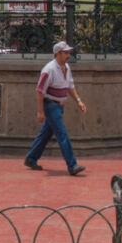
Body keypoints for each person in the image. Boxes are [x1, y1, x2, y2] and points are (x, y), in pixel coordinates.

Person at [24, 41, 87, 176]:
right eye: (65, 53)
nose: (68, 55)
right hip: (51, 106)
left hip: (59, 106)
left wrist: (79, 101)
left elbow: (70, 86)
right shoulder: (49, 70)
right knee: (62, 134)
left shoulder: (66, 67)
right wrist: (40, 111)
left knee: (46, 134)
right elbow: (40, 91)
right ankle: (72, 165)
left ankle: (31, 158)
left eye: (69, 53)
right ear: (57, 54)